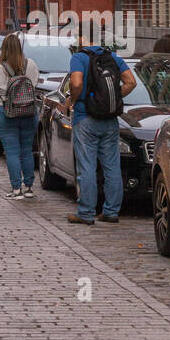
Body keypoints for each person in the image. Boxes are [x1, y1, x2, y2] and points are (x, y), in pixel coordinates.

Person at [65, 33, 137, 226]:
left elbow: (77, 82)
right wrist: (111, 97)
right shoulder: (112, 57)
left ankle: (86, 213)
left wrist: (73, 99)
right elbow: (131, 82)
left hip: (85, 117)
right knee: (112, 166)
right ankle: (111, 211)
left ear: (82, 37)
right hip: (110, 119)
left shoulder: (79, 57)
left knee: (87, 166)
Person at [0, 33, 40, 199]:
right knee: (26, 150)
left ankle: (16, 189)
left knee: (12, 151)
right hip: (28, 110)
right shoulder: (31, 65)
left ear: (3, 50)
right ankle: (29, 187)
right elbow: (35, 84)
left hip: (3, 110)